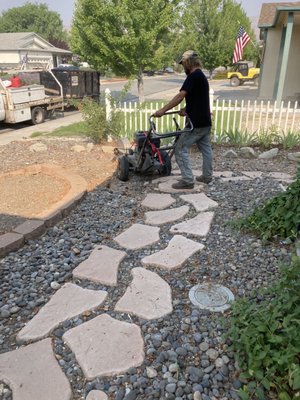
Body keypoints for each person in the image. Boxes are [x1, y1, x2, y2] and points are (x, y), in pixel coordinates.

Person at [153, 50, 213, 189]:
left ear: (188, 62)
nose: (183, 66)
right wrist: (187, 109)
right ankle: (207, 176)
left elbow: (180, 96)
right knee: (206, 149)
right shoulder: (201, 76)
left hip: (196, 124)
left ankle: (187, 180)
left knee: (180, 148)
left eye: (183, 64)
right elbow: (198, 98)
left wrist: (163, 110)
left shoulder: (193, 76)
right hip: (205, 121)